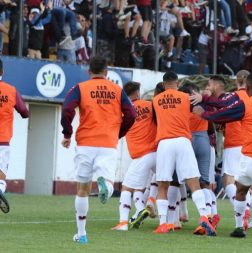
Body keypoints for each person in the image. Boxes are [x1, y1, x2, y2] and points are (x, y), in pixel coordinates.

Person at [192, 73, 252, 243]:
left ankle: (239, 227)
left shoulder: (245, 104)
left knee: (240, 189)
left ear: (246, 87)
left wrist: (203, 114)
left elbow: (223, 113)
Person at [61, 56, 136, 244]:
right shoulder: (117, 90)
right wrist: (119, 132)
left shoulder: (80, 88)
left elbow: (67, 109)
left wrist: (67, 133)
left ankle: (82, 234)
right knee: (109, 183)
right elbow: (132, 114)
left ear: (89, 71)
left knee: (82, 189)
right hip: (108, 143)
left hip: (86, 142)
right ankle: (105, 185)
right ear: (106, 72)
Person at [151, 71, 216, 236]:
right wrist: (206, 94)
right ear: (177, 83)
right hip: (183, 141)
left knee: (163, 185)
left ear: (164, 84)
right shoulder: (186, 98)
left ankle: (164, 224)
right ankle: (204, 217)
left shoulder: (156, 100)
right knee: (194, 183)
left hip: (165, 142)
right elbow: (202, 107)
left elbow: (155, 120)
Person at [111, 81, 157, 231]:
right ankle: (141, 210)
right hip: (157, 152)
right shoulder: (149, 106)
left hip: (141, 155)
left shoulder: (123, 111)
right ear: (137, 93)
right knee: (143, 186)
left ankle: (123, 223)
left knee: (126, 188)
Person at [0, 59, 30, 214]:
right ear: (2, 72)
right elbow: (24, 112)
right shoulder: (10, 90)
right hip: (3, 140)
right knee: (1, 175)